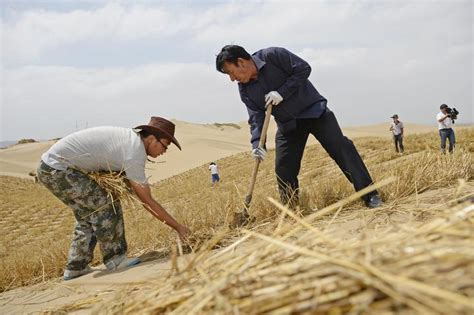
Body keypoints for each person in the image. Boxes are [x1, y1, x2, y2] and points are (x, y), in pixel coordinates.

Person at [215, 45, 382, 209]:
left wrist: (282, 92)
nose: (232, 78)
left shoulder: (273, 55)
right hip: (289, 125)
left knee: (342, 148)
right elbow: (256, 117)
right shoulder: (245, 90)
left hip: (314, 112)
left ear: (241, 62)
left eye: (230, 72)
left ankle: (370, 195)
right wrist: (258, 144)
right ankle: (291, 211)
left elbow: (303, 68)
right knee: (283, 169)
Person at [37, 117, 191, 280]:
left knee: (90, 215)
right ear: (152, 139)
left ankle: (76, 267)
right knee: (105, 205)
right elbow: (147, 201)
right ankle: (115, 259)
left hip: (50, 169)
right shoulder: (134, 152)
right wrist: (178, 227)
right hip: (58, 170)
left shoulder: (130, 141)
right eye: (164, 145)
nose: (165, 151)